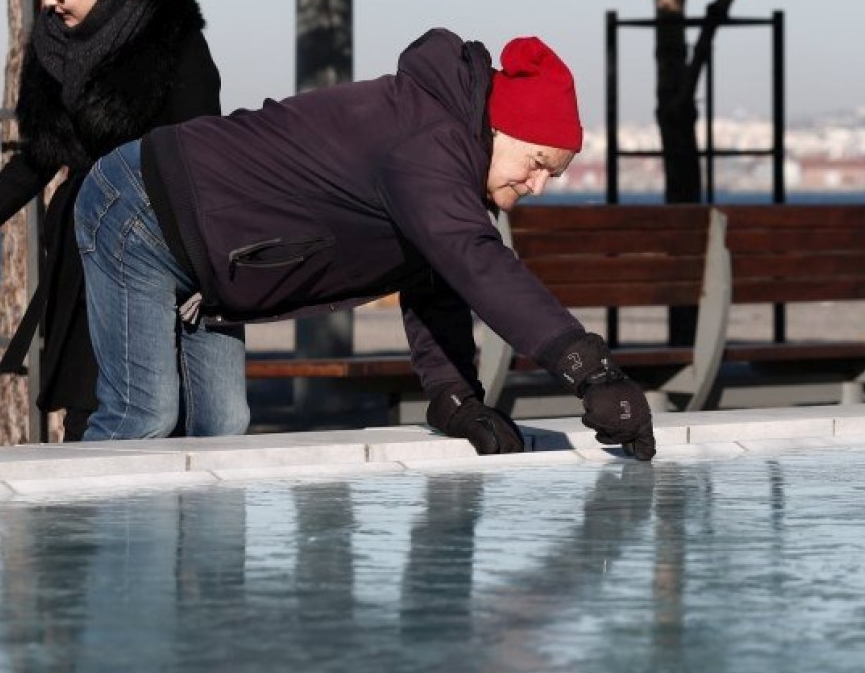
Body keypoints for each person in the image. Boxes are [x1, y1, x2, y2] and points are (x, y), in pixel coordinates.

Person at [73, 28, 657, 459]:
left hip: (209, 255)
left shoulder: (450, 169)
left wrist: (458, 399)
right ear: (502, 129)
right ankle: (81, 600)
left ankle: (195, 608)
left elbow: (440, 282)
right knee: (143, 418)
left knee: (222, 426)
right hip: (142, 209)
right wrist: (592, 371)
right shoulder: (428, 142)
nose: (537, 185)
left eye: (551, 176)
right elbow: (477, 262)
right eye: (537, 163)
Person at [0, 0, 220, 442]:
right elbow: (38, 158)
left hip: (163, 249)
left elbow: (202, 149)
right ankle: (88, 512)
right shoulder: (52, 47)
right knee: (88, 405)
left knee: (168, 410)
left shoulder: (170, 35)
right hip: (85, 249)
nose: (47, 2)